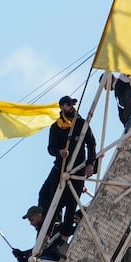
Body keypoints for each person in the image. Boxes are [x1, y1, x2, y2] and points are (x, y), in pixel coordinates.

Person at [37, 96, 96, 236]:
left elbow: (91, 144)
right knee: (52, 201)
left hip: (78, 169)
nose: (71, 106)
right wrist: (60, 152)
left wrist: (90, 164)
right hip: (61, 168)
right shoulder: (56, 127)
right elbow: (51, 148)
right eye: (68, 104)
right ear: (62, 107)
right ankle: (48, 231)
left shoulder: (81, 123)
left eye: (72, 104)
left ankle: (65, 232)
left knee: (72, 203)